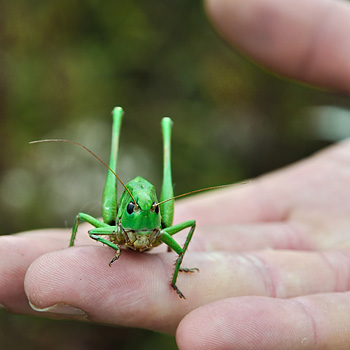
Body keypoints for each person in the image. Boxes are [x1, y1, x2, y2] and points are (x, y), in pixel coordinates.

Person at [1, 0, 349, 348]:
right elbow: (84, 223)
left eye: (149, 214)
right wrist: (111, 242)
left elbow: (188, 227)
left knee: (175, 226)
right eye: (141, 214)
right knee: (98, 208)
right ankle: (117, 153)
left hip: (155, 217)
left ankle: (173, 272)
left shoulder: (160, 226)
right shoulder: (117, 221)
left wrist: (168, 251)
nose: (145, 224)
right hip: (120, 216)